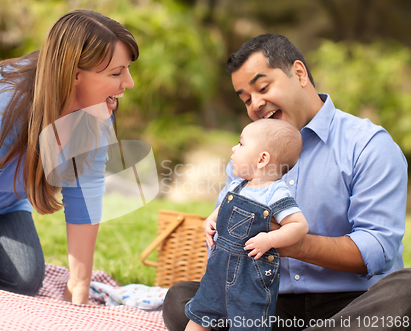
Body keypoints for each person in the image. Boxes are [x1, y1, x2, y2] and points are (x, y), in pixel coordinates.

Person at [163, 33, 410, 331]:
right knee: (182, 299)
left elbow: (378, 248)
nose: (255, 104)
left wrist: (290, 242)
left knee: (405, 291)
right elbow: (227, 238)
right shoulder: (246, 156)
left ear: (300, 73)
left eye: (263, 87)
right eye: (245, 99)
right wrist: (218, 230)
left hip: (351, 304)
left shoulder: (368, 145)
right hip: (267, 301)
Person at [0, 10, 138, 305]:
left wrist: (79, 285)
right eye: (117, 73)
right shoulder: (2, 104)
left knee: (22, 279)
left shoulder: (96, 112)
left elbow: (84, 191)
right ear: (75, 74)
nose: (129, 83)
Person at [185, 119, 309, 331]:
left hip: (250, 279)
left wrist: (269, 239)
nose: (234, 148)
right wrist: (212, 219)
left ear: (262, 159)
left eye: (241, 144)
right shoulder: (239, 185)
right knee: (200, 313)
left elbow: (299, 225)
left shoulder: (275, 193)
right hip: (218, 272)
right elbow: (225, 206)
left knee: (247, 323)